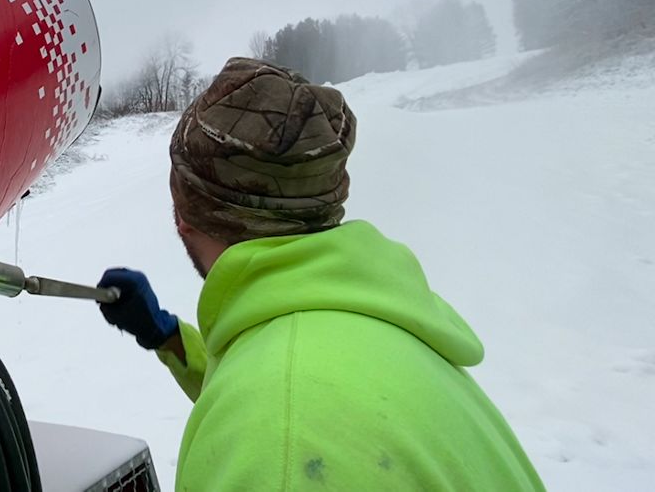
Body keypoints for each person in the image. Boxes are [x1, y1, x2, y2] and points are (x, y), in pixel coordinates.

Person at [97, 57, 543, 491]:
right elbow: (299, 389)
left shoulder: (280, 441)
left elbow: (283, 420)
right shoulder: (376, 324)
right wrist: (168, 337)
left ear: (186, 215)